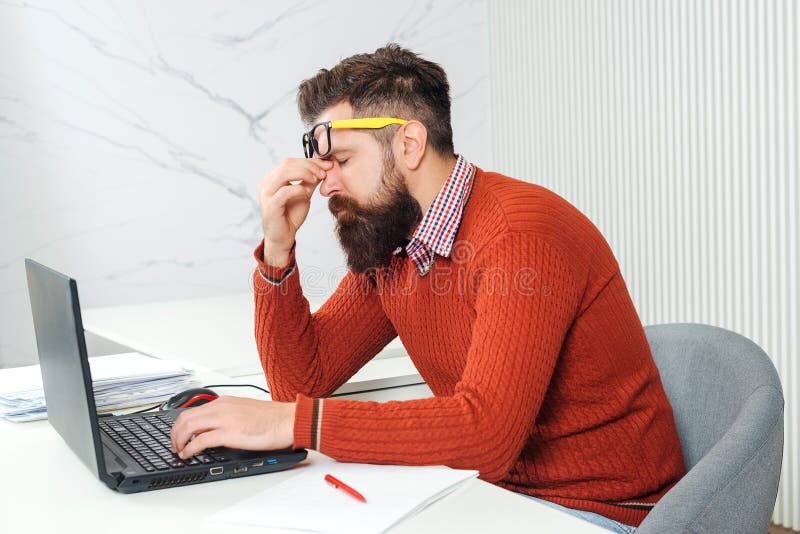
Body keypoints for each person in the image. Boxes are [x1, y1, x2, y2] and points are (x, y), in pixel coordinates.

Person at [171, 44, 685, 532]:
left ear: (409, 144)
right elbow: (301, 384)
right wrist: (277, 253)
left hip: (600, 513)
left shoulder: (521, 234)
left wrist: (287, 424)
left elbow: (486, 435)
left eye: (343, 161)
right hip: (493, 497)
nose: (325, 184)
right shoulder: (397, 241)